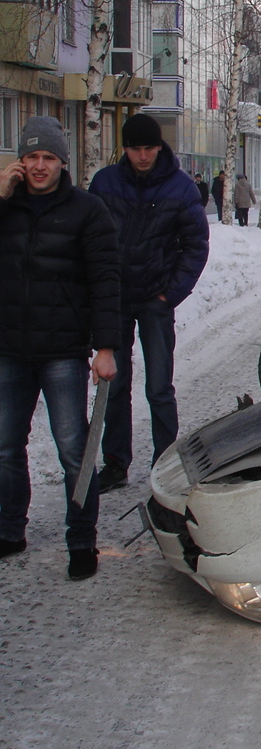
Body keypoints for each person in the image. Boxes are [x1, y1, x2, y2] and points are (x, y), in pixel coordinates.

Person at [0, 118, 120, 580]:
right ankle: (11, 528)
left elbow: (106, 281)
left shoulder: (87, 211)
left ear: (63, 163)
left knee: (74, 449)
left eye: (48, 158)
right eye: (31, 157)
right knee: (7, 448)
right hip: (9, 348)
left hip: (62, 351)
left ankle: (81, 539)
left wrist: (105, 347)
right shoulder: (6, 207)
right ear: (20, 161)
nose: (39, 166)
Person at [88, 113, 208, 493]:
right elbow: (88, 239)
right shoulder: (105, 183)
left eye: (149, 148)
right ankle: (115, 462)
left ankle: (165, 462)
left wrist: (169, 293)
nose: (143, 156)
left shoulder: (180, 188)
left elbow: (195, 246)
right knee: (115, 384)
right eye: (136, 148)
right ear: (125, 149)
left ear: (160, 147)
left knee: (159, 386)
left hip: (155, 300)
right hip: (115, 300)